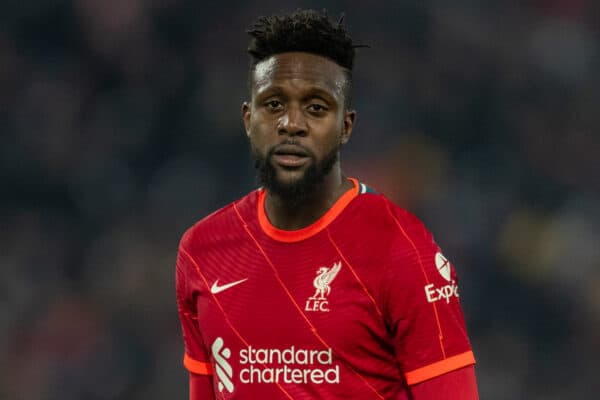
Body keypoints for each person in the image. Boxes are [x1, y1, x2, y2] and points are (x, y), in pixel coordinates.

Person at [176, 9, 478, 399]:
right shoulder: (201, 250)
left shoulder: (402, 250)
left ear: (346, 126)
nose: (292, 124)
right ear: (248, 119)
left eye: (316, 107)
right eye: (273, 105)